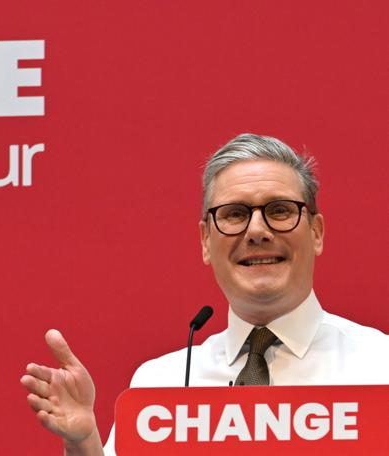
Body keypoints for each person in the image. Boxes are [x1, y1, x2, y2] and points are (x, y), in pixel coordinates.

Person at [20, 133, 389, 455]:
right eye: (234, 214)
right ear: (206, 242)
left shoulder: (380, 366)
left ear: (317, 232)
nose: (257, 231)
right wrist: (83, 446)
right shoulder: (159, 387)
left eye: (280, 210)